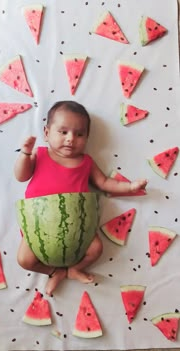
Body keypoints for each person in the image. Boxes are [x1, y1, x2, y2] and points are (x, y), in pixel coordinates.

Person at [14, 100, 147, 295]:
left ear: (87, 137)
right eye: (63, 132)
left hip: (78, 225)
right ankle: (55, 272)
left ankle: (75, 269)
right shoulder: (40, 154)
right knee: (24, 260)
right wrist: (25, 154)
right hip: (39, 224)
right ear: (46, 132)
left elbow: (104, 183)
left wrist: (130, 186)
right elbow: (21, 176)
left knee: (95, 249)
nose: (71, 139)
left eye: (79, 134)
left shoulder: (86, 162)